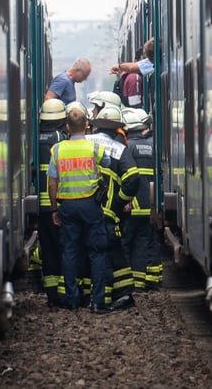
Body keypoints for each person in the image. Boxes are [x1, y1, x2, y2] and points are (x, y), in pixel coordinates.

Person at [47, 103, 111, 313]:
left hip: (67, 207)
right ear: (86, 125)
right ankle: (97, 301)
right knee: (97, 251)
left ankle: (72, 300)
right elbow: (109, 163)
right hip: (90, 206)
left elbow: (52, 183)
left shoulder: (57, 149)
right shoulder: (94, 148)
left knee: (69, 251)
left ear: (67, 126)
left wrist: (55, 209)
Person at [87, 105, 141, 311]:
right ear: (118, 129)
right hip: (108, 211)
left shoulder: (84, 143)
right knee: (114, 251)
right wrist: (119, 200)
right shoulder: (120, 149)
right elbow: (133, 178)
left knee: (88, 250)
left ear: (96, 125)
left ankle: (90, 295)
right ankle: (122, 294)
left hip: (82, 207)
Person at [121, 108, 162, 291]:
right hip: (148, 206)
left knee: (126, 243)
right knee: (143, 243)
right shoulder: (151, 146)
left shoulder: (128, 147)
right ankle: (140, 283)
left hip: (131, 205)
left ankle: (127, 282)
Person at [34, 98, 68, 308]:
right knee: (64, 248)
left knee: (47, 250)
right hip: (57, 205)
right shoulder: (59, 140)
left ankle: (52, 296)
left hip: (39, 206)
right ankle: (65, 292)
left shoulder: (34, 137)